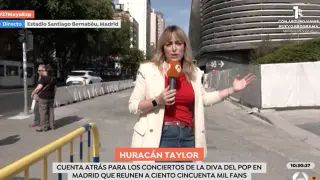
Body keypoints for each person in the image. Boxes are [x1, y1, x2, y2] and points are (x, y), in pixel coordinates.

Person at [128, 25, 255, 157]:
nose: (174, 48)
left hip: (187, 137)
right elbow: (133, 106)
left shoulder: (194, 72)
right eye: (168, 44)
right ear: (163, 48)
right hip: (160, 136)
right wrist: (157, 101)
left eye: (178, 43)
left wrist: (232, 89)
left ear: (184, 47)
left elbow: (204, 99)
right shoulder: (148, 70)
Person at [31, 64, 57, 132]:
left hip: (43, 98)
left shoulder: (43, 78)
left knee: (43, 113)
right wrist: (53, 96)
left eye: (42, 70)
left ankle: (44, 127)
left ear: (45, 70)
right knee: (51, 112)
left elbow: (39, 87)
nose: (41, 71)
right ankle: (52, 126)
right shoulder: (53, 78)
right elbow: (55, 89)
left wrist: (33, 92)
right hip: (51, 97)